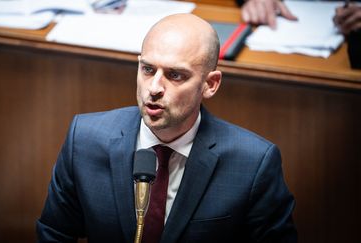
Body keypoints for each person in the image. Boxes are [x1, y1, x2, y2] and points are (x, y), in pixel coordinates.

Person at [36, 13, 297, 242]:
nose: (154, 88)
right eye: (148, 69)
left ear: (211, 84)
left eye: (175, 75)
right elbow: (54, 232)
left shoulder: (253, 164)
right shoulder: (84, 139)